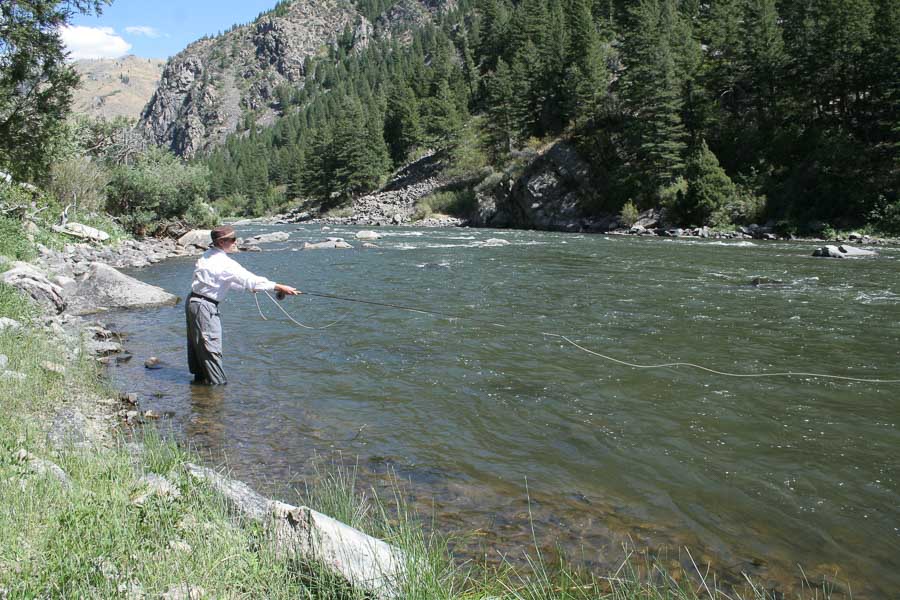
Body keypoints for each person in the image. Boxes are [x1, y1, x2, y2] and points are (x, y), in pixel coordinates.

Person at [186, 225, 300, 384]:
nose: (235, 242)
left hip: (193, 302)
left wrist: (248, 287)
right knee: (211, 348)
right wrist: (280, 287)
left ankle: (200, 385)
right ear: (221, 242)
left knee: (198, 346)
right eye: (232, 240)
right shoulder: (224, 262)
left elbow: (221, 281)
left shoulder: (208, 255)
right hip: (204, 307)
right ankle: (218, 388)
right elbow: (250, 280)